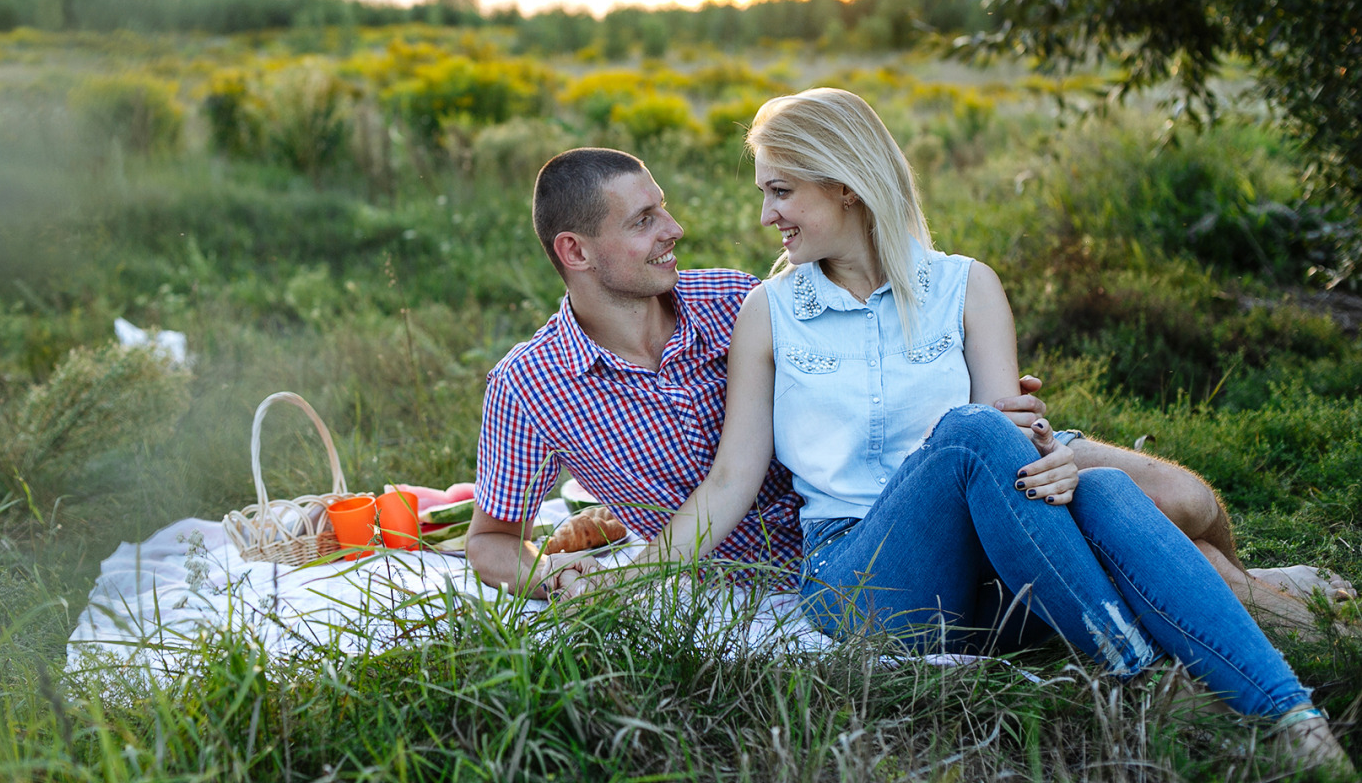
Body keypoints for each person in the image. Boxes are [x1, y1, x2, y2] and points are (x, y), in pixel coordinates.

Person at [555, 90, 1349, 769]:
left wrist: (1055, 462)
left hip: (991, 569)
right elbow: (731, 481)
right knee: (972, 432)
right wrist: (633, 572)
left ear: (846, 186)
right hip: (860, 577)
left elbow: (1016, 438)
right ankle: (1140, 675)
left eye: (782, 192)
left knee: (1099, 485)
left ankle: (1298, 723)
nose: (767, 217)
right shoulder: (770, 313)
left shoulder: (968, 287)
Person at [464, 147, 1353, 633]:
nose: (675, 229)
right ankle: (1268, 610)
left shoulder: (738, 297)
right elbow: (493, 543)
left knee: (1189, 497)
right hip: (846, 542)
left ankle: (1257, 579)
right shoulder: (529, 386)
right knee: (1185, 569)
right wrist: (561, 581)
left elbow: (880, 317)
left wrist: (975, 385)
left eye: (664, 207)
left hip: (940, 454)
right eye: (645, 219)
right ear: (574, 252)